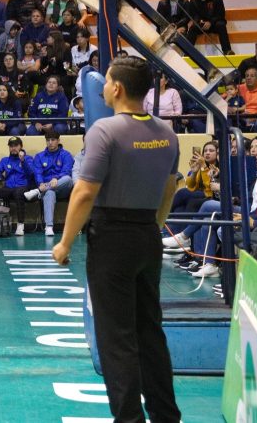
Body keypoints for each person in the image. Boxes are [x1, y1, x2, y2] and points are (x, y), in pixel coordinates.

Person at [52, 56, 182, 423]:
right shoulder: (167, 133)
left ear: (117, 88)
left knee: (116, 338)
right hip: (146, 235)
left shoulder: (104, 131)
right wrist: (152, 228)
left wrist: (64, 243)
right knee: (150, 333)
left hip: (112, 238)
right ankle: (166, 416)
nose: (103, 86)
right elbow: (169, 192)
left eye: (106, 80)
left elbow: (83, 193)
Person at [22, 130, 75, 236]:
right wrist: (41, 183)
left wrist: (56, 178)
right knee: (50, 192)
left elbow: (67, 170)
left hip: (62, 186)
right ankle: (49, 227)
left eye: (53, 140)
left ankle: (37, 191)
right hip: (47, 187)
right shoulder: (39, 156)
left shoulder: (66, 155)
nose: (50, 142)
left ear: (58, 141)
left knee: (68, 179)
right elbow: (38, 173)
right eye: (48, 140)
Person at [0, 137, 36, 236]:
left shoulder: (28, 158)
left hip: (23, 187)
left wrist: (23, 161)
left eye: (16, 146)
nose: (13, 148)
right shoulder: (5, 160)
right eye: (11, 146)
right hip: (9, 188)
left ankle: (20, 225)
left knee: (18, 192)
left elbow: (31, 174)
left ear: (21, 146)